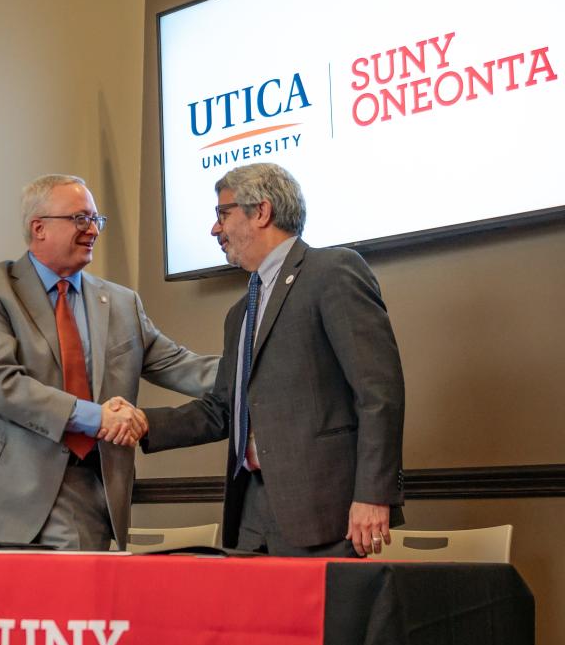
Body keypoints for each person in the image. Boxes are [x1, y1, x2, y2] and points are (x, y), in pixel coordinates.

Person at [0, 173, 217, 551]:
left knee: (75, 608)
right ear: (39, 228)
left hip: (82, 495)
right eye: (80, 219)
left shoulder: (121, 303)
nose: (93, 230)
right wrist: (99, 417)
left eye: (96, 220)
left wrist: (260, 367)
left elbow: (185, 367)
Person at [141, 163, 405, 557]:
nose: (216, 229)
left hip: (324, 512)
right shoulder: (240, 313)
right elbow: (222, 411)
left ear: (261, 212)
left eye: (223, 213)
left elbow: (378, 391)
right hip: (251, 513)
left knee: (327, 621)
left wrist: (373, 494)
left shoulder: (332, 272)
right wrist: (143, 423)